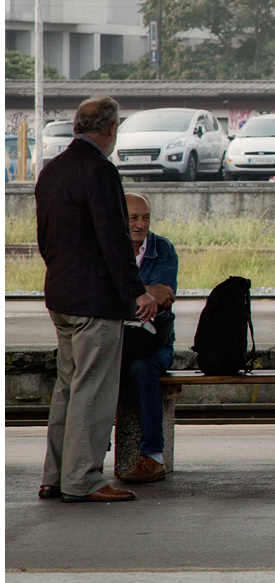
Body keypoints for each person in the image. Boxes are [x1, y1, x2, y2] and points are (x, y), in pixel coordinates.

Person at [35, 96, 157, 503]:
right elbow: (114, 239)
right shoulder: (100, 171)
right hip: (94, 303)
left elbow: (45, 239)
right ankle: (83, 479)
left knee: (67, 390)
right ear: (110, 130)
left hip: (61, 297)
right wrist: (135, 291)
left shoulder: (52, 171)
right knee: (92, 392)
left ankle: (54, 475)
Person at [116, 193, 179, 484]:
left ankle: (153, 457)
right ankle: (87, 451)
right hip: (120, 340)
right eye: (133, 218)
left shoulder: (162, 249)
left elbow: (164, 297)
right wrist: (143, 295)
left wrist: (123, 299)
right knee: (92, 362)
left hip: (156, 343)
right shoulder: (110, 248)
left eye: (146, 217)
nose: (141, 225)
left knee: (142, 367)